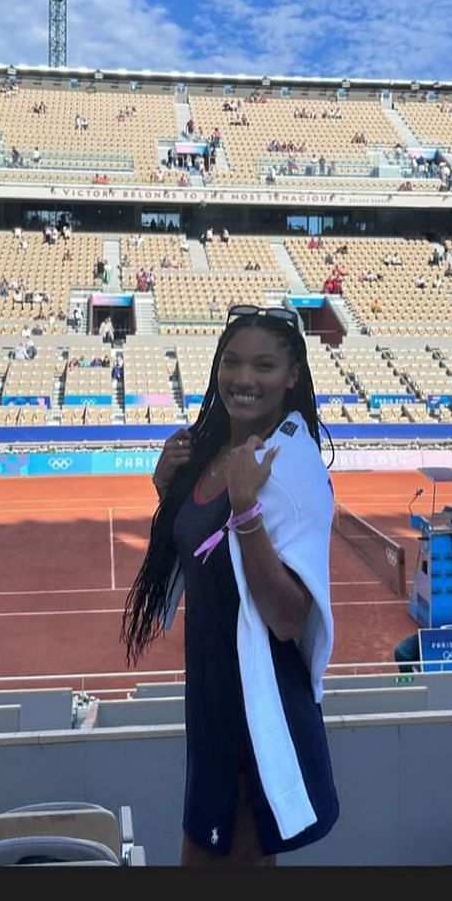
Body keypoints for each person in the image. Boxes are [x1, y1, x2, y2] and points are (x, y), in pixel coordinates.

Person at [121, 308, 340, 867]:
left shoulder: (294, 467)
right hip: (214, 697)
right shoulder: (211, 451)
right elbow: (199, 559)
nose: (245, 378)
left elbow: (290, 618)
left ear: (293, 375)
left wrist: (245, 510)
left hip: (256, 702)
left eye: (264, 365)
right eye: (233, 362)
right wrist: (167, 492)